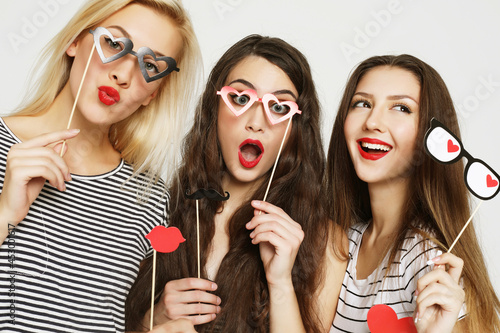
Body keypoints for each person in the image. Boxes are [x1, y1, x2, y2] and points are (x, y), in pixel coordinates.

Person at [0, 0, 201, 331]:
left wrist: (155, 322)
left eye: (150, 65)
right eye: (113, 43)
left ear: (154, 93)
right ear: (75, 41)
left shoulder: (150, 198)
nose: (123, 74)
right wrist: (6, 214)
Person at [125, 34, 348, 332]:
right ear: (213, 108)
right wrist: (150, 322)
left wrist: (279, 281)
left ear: (297, 129)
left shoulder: (325, 241)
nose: (256, 122)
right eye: (241, 99)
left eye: (279, 107)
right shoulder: (158, 209)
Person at [325, 54, 500, 332]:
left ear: (433, 137)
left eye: (401, 108)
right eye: (362, 103)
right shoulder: (345, 242)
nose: (372, 121)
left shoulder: (428, 259)